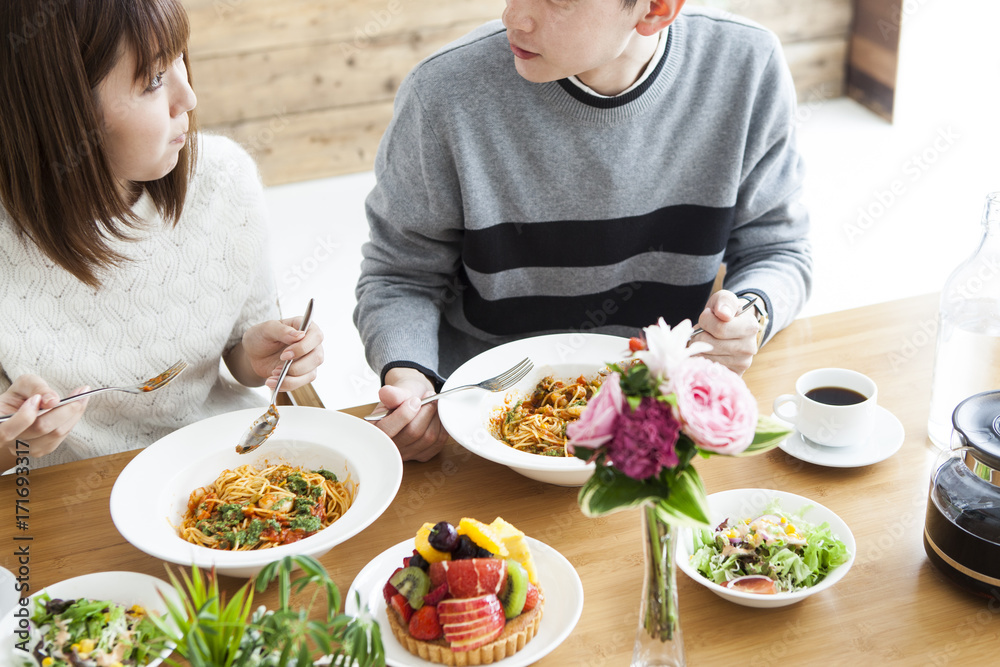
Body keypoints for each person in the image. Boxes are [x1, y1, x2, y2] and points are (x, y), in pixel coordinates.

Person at [355, 0, 812, 461]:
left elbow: (778, 247)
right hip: (484, 419)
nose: (513, 17)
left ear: (655, 10)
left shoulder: (747, 65)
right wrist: (412, 377)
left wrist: (749, 314)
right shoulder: (442, 92)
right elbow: (400, 275)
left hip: (662, 426)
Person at [0, 0, 324, 472]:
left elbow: (239, 353)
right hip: (75, 504)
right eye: (153, 80)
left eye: (179, 58)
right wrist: (15, 440)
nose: (188, 97)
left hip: (230, 468)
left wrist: (263, 357)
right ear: (60, 112)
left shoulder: (223, 178)